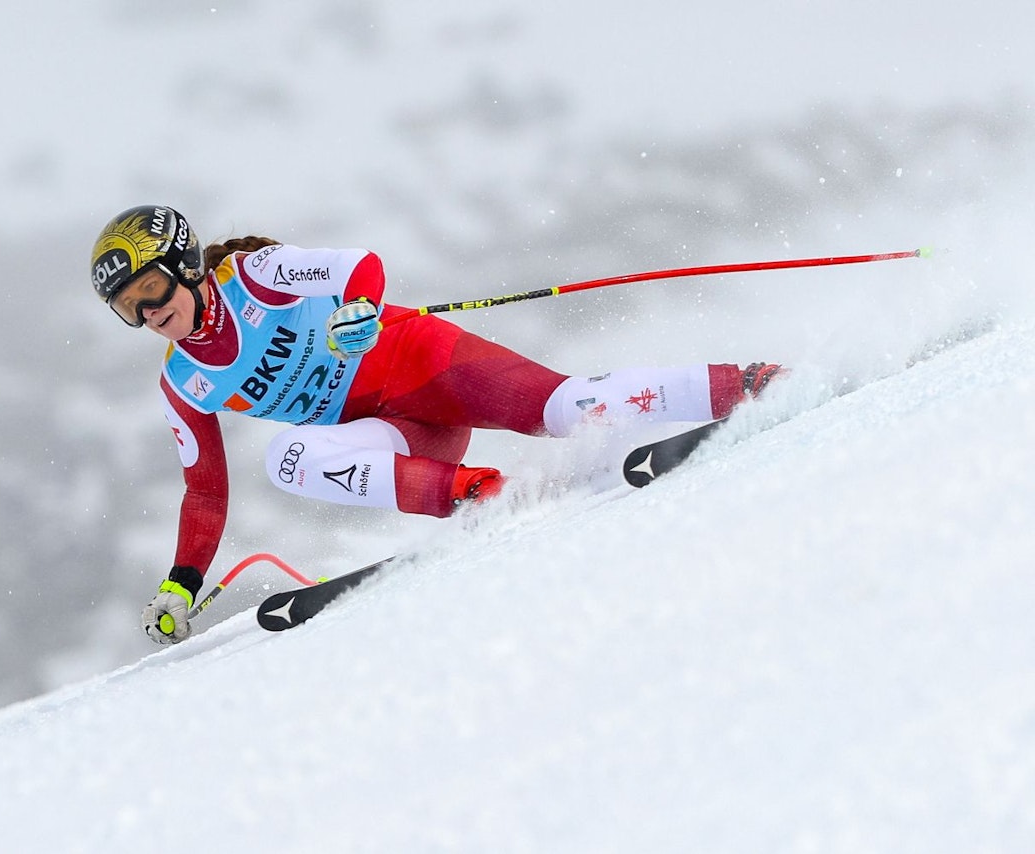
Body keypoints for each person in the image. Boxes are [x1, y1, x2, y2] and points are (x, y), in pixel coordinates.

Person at [89, 205, 780, 644]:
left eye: (150, 291)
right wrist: (180, 584)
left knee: (564, 409)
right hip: (396, 432)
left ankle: (745, 385)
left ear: (184, 266)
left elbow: (359, 264)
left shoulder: (255, 274)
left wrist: (359, 308)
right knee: (286, 459)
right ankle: (481, 492)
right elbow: (206, 490)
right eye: (129, 309)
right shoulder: (184, 383)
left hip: (426, 362)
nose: (148, 315)